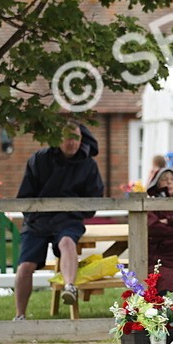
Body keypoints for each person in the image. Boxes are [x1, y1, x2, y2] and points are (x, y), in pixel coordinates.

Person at [13, 123, 105, 320]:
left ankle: (70, 287)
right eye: (67, 137)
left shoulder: (88, 164)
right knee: (26, 265)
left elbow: (94, 200)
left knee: (67, 243)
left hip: (69, 219)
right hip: (38, 220)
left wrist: (72, 210)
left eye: (76, 138)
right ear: (58, 139)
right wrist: (34, 216)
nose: (72, 143)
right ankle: (19, 316)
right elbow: (24, 197)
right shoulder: (39, 160)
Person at [146, 165, 173, 293]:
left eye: (172, 179)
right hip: (162, 257)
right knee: (166, 283)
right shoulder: (151, 204)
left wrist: (170, 221)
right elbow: (154, 228)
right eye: (164, 179)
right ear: (157, 184)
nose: (169, 182)